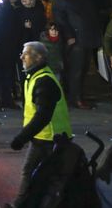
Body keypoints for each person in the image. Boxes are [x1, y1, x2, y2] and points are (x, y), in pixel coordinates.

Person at [9, 41, 72, 207]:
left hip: (51, 138)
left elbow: (42, 116)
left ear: (38, 57)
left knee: (42, 175)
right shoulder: (36, 76)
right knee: (39, 174)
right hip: (45, 136)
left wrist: (21, 138)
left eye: (26, 53)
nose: (21, 56)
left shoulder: (44, 81)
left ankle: (22, 204)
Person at [51, 0, 102, 108]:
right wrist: (69, 36)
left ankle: (78, 95)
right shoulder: (61, 0)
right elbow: (60, 20)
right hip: (74, 40)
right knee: (76, 70)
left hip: (86, 38)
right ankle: (75, 98)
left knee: (83, 68)